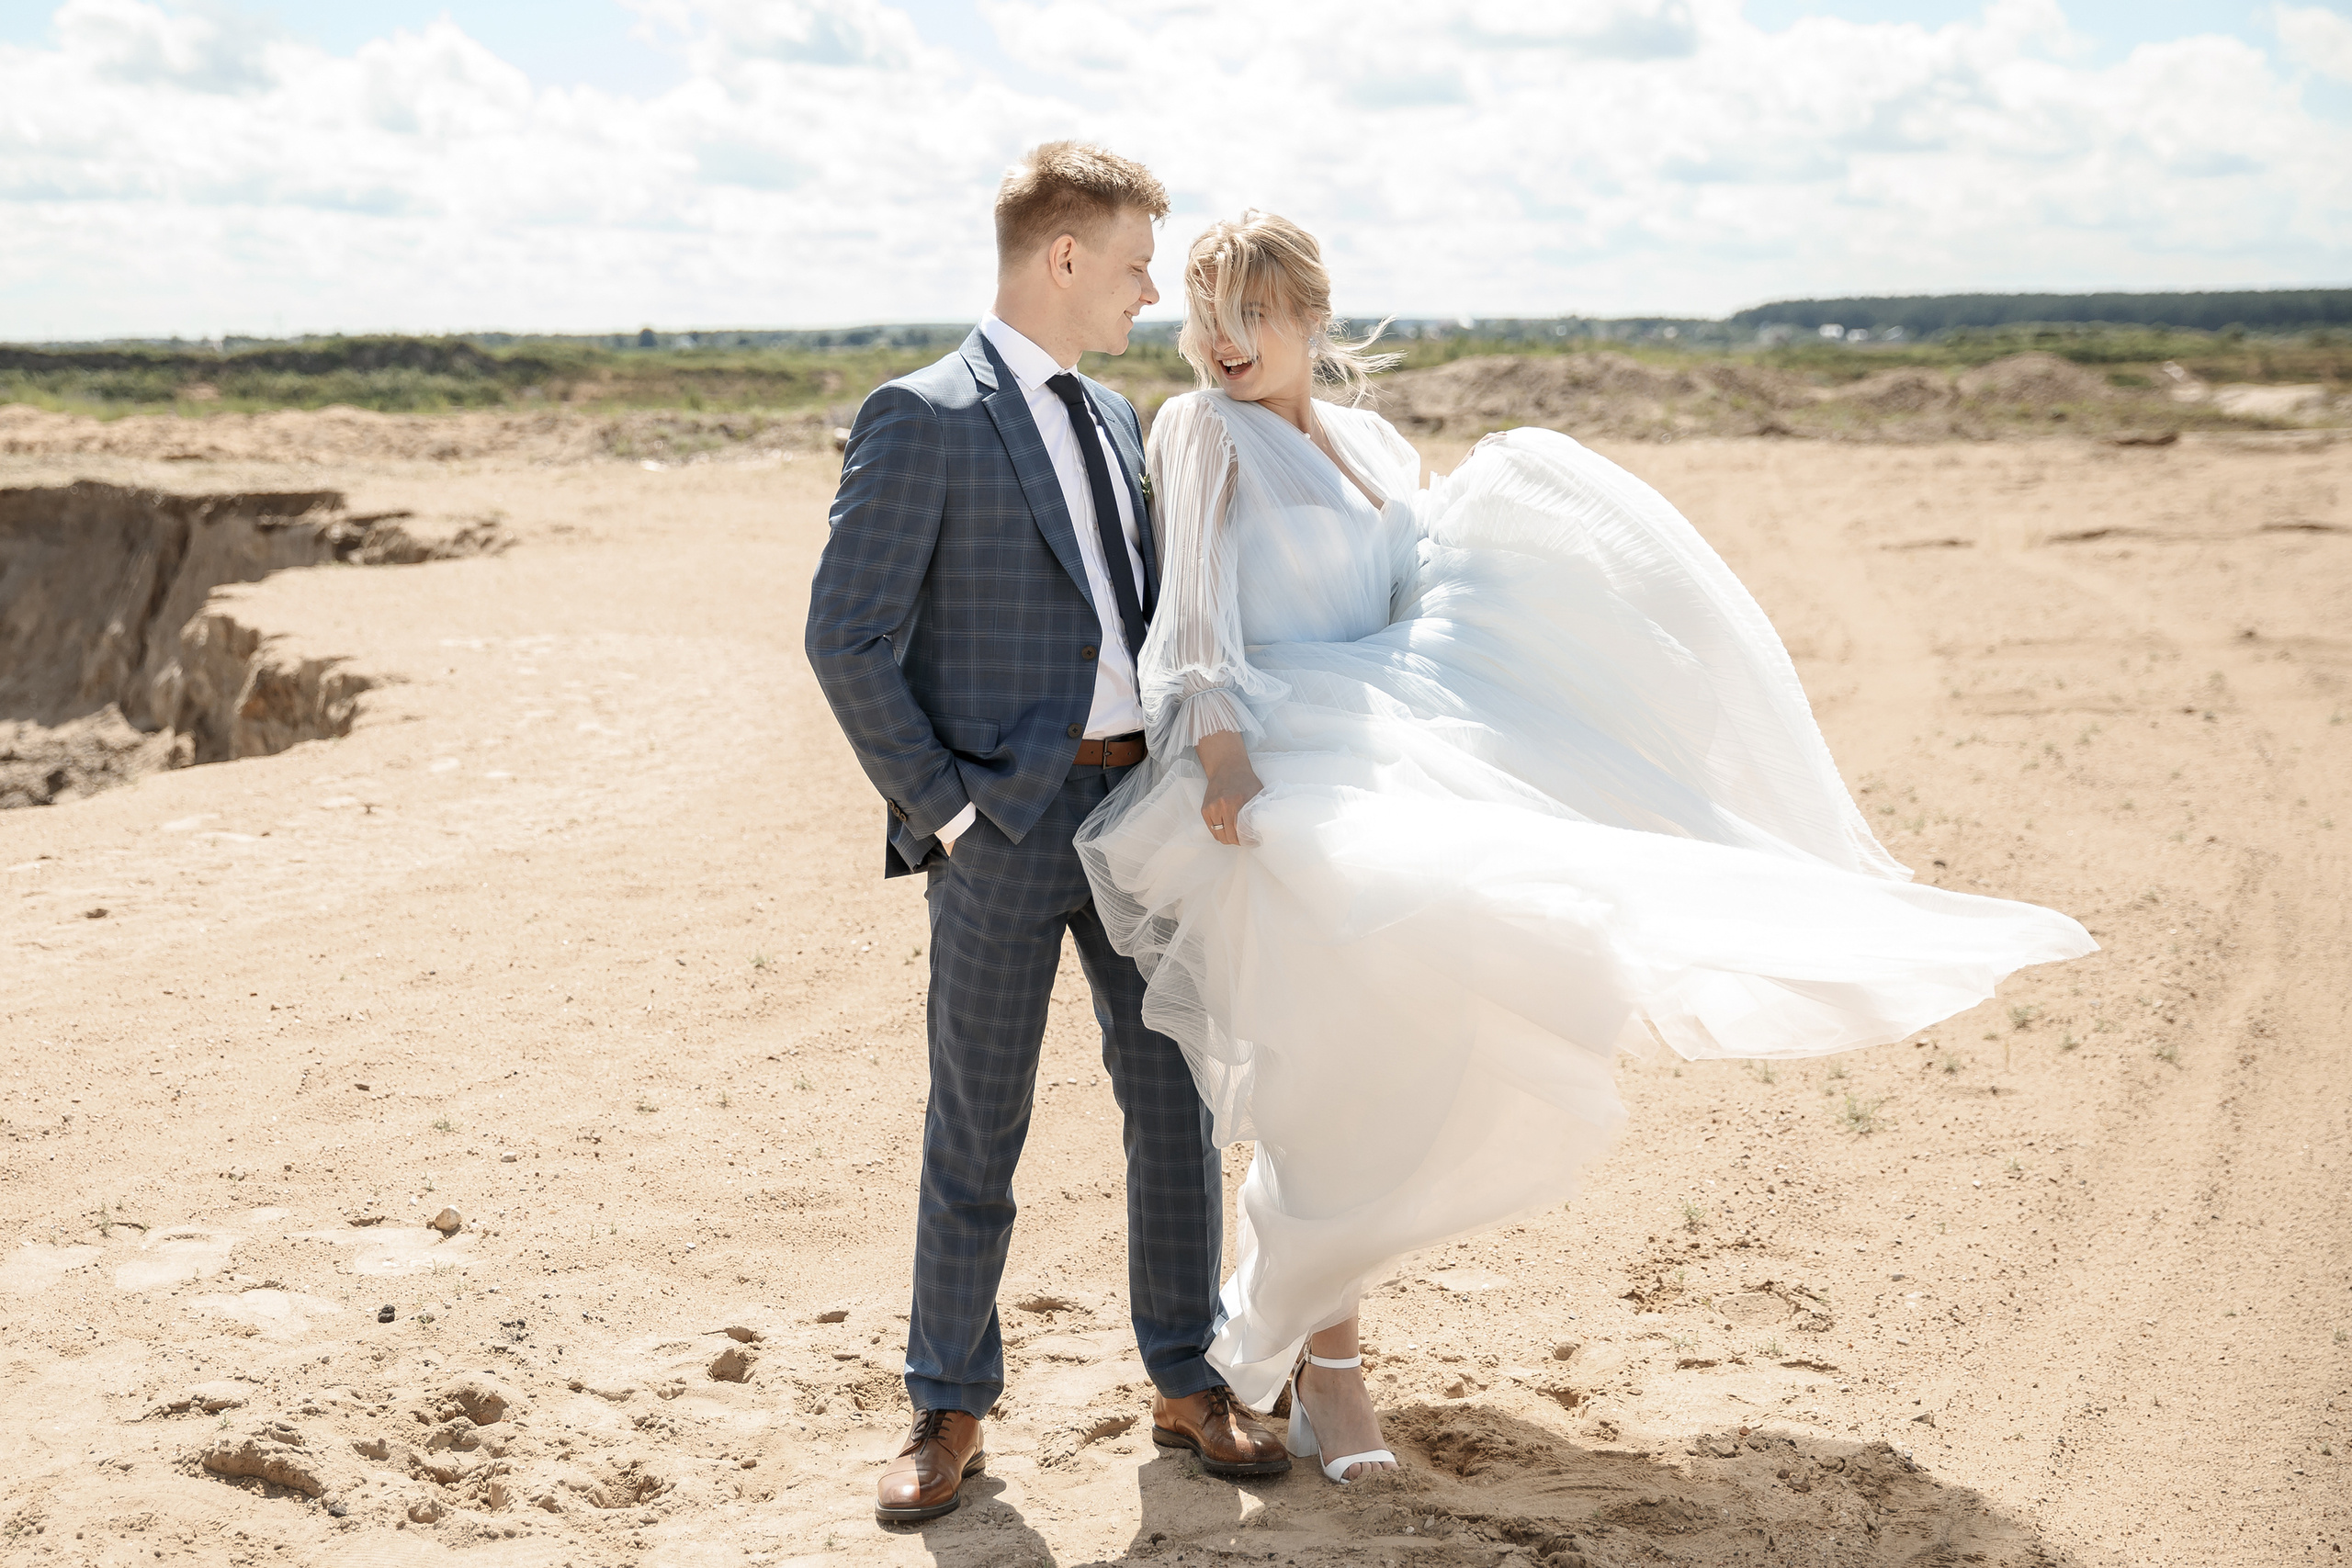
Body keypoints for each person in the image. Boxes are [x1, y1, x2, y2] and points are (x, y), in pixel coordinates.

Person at [1073, 210, 2098, 1483]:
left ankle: (1269, 1333)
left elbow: (1416, 598)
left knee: (1408, 1054)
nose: (1225, 341)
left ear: (1309, 318)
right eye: (1206, 315)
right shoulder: (1200, 431)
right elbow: (1193, 611)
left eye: (1254, 315)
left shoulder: (1375, 447)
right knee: (1331, 1077)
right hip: (1277, 772)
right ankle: (1330, 1376)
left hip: (1387, 758)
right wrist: (1223, 750)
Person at [804, 146, 1290, 1527]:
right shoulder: (921, 415)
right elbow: (843, 634)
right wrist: (948, 811)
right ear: (1064, 257)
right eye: (1135, 262)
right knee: (979, 1121)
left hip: (1139, 814)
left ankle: (1188, 1379)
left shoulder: (1120, 416)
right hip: (1001, 829)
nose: (1150, 289)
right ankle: (948, 1404)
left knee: (1177, 1105)